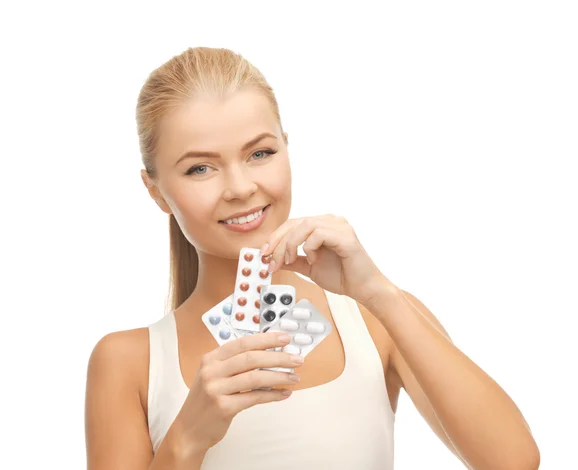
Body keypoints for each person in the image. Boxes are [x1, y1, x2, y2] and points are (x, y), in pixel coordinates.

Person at [84, 46, 540, 470]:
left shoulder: (375, 319)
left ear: (286, 147)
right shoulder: (127, 362)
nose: (240, 187)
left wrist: (377, 292)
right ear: (156, 190)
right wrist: (188, 436)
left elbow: (514, 462)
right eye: (200, 168)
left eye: (260, 153)